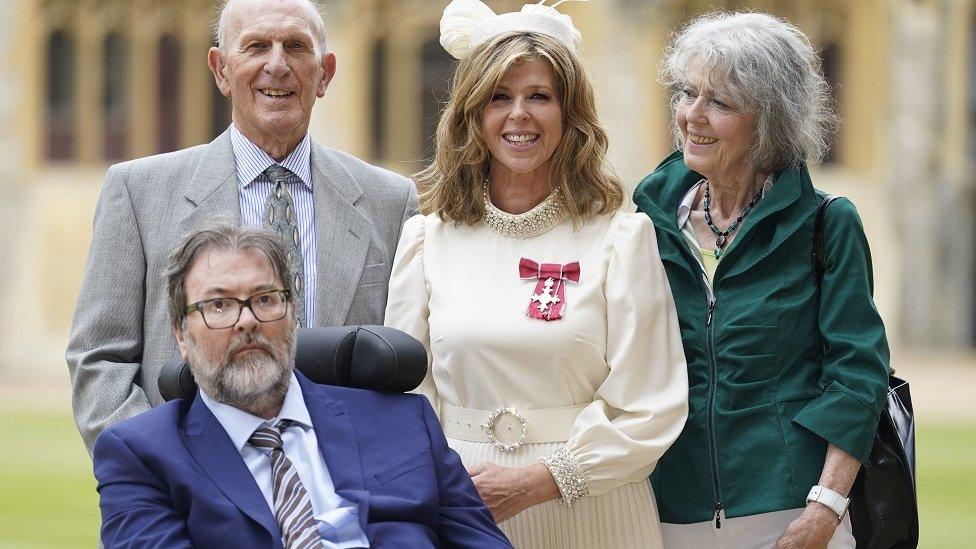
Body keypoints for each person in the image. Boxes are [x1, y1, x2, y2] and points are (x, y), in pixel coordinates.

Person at [384, 1, 689, 547]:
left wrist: (542, 480)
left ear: (569, 114)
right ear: (472, 115)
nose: (518, 114)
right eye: (499, 97)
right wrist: (447, 486)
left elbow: (651, 403)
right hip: (462, 506)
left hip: (593, 508)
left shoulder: (622, 238)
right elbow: (406, 395)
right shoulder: (426, 240)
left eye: (539, 97)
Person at [67, 0, 416, 454]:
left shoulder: (390, 201)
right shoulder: (137, 192)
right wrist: (167, 469)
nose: (277, 65)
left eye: (295, 46)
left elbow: (404, 367)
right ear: (221, 71)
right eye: (255, 47)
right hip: (191, 492)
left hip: (344, 491)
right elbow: (100, 361)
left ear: (325, 72)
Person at [632, 12, 891, 549]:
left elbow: (857, 375)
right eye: (687, 93)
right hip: (665, 509)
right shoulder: (643, 222)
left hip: (792, 511)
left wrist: (826, 509)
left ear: (770, 120)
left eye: (719, 103)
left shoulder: (827, 222)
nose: (691, 116)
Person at [93, 224, 511, 548]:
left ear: (292, 314)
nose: (247, 320)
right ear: (181, 336)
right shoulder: (144, 455)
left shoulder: (402, 420)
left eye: (265, 299)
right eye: (218, 305)